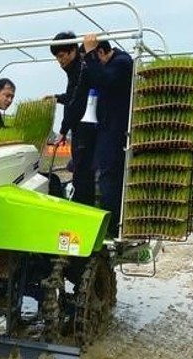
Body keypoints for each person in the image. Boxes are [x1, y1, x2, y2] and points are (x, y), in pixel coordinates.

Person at [83, 33, 133, 237]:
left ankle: (111, 227)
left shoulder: (122, 62)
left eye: (96, 58)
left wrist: (89, 54)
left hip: (115, 131)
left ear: (101, 52)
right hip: (107, 129)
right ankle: (107, 223)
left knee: (109, 177)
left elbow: (104, 80)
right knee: (104, 174)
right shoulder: (116, 62)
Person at [49, 31, 97, 207]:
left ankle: (83, 209)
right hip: (83, 128)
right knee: (81, 170)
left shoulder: (80, 69)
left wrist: (62, 131)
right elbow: (72, 96)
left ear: (72, 51)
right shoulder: (75, 69)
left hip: (86, 129)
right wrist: (56, 97)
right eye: (57, 57)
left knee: (82, 172)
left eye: (61, 56)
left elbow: (75, 102)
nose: (60, 61)